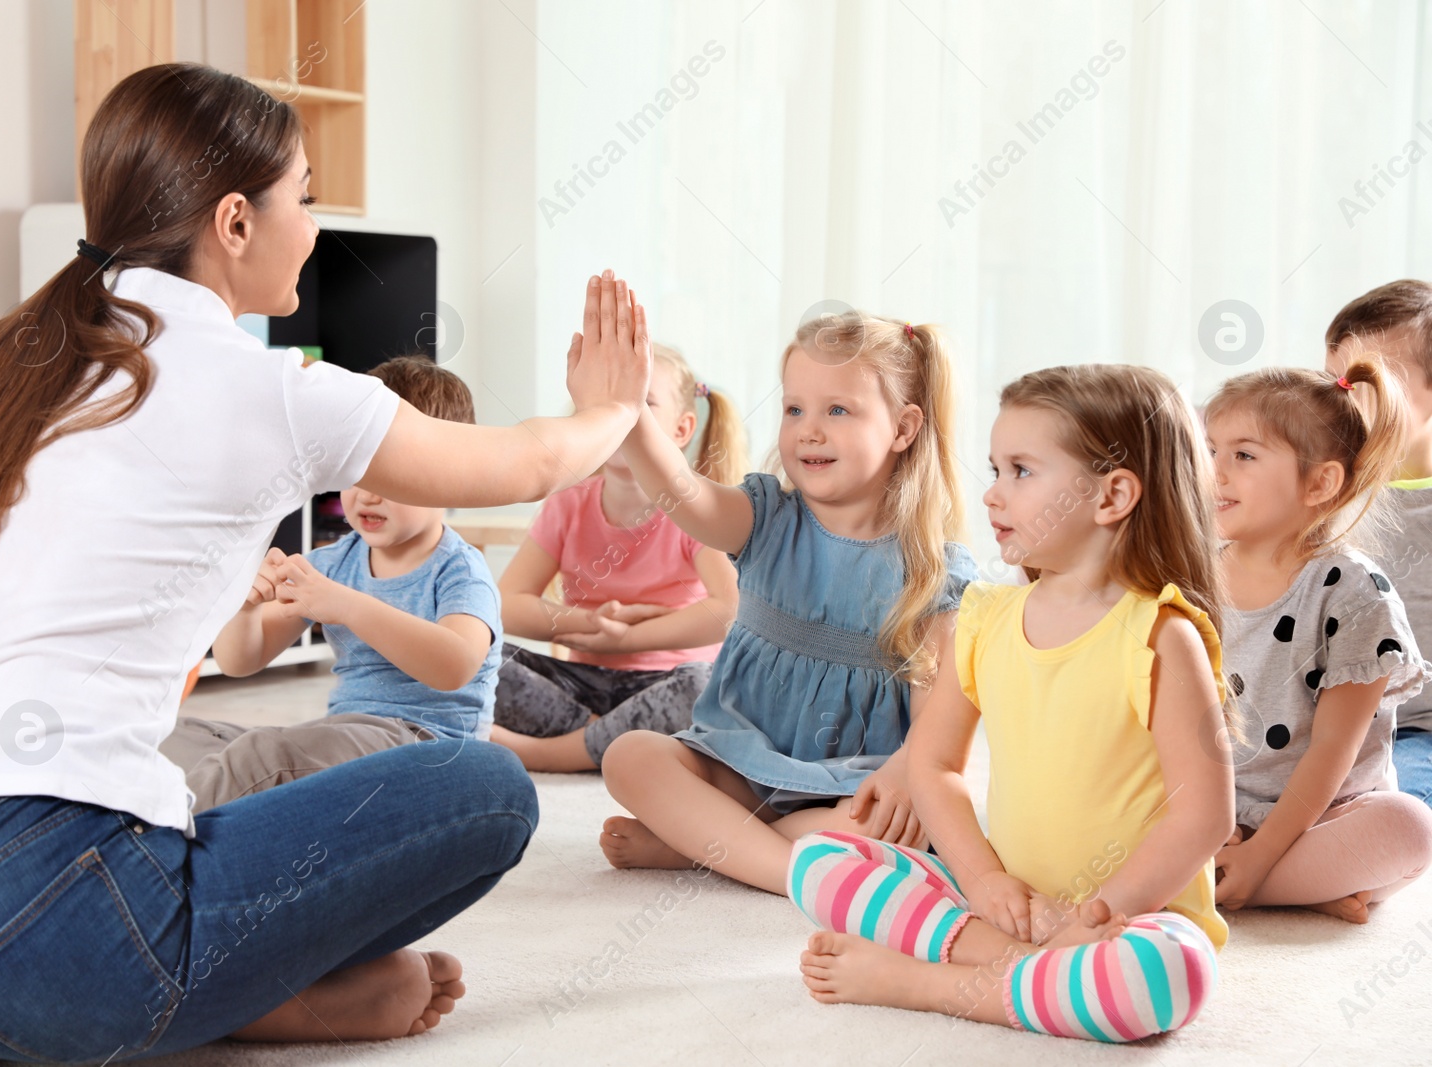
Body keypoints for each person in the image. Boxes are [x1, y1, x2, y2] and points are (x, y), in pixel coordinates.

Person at [0, 64, 649, 1064]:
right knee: (485, 787)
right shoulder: (264, 388)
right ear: (232, 223)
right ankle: (235, 998)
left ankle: (185, 995)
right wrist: (610, 408)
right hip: (40, 926)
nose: (312, 225)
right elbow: (521, 462)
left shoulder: (2, 372)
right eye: (302, 196)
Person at [787, 364, 1231, 1042]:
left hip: (1131, 919)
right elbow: (932, 766)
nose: (993, 494)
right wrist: (986, 878)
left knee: (1165, 975)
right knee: (819, 859)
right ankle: (1034, 970)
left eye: (1021, 471)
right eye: (996, 468)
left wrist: (1093, 916)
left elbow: (1204, 816)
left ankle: (928, 983)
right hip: (1008, 904)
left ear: (1112, 495)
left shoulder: (1161, 637)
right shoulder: (983, 618)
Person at [599, 311, 978, 894]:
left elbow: (936, 726)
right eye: (795, 409)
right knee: (630, 756)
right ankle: (789, 870)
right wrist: (628, 413)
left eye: (838, 410)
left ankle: (710, 845)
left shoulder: (934, 572)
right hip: (738, 764)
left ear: (904, 428)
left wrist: (905, 773)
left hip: (849, 787)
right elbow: (684, 494)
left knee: (914, 829)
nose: (809, 430)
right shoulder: (765, 517)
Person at [163, 356, 506, 811]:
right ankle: (187, 805)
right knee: (176, 734)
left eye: (392, 472)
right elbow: (239, 661)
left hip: (428, 755)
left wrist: (346, 606)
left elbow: (455, 665)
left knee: (261, 757)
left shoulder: (459, 569)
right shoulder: (333, 562)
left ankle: (162, 832)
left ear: (451, 476)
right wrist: (244, 607)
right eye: (357, 468)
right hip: (344, 738)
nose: (368, 492)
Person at [1206, 363, 1432, 924]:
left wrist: (1259, 855)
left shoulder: (1355, 594)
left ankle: (1239, 884)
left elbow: (1333, 752)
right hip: (1212, 802)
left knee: (1408, 830)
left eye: (1244, 455)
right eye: (1210, 450)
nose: (1214, 472)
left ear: (1319, 484)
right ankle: (1300, 889)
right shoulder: (1192, 573)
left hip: (1323, 808)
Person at [489, 342, 744, 772]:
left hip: (671, 682)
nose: (620, 418)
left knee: (706, 688)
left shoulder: (696, 504)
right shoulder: (568, 504)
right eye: (605, 405)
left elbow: (731, 610)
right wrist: (588, 625)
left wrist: (627, 640)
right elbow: (506, 604)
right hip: (582, 686)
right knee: (481, 655)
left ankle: (555, 753)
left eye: (642, 404)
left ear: (682, 429)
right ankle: (602, 737)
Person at [1323, 281, 1432, 807]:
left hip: (1414, 732)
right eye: (1334, 383)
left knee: (1396, 805)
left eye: (1370, 381)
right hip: (1322, 725)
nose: (1344, 400)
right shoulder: (1323, 488)